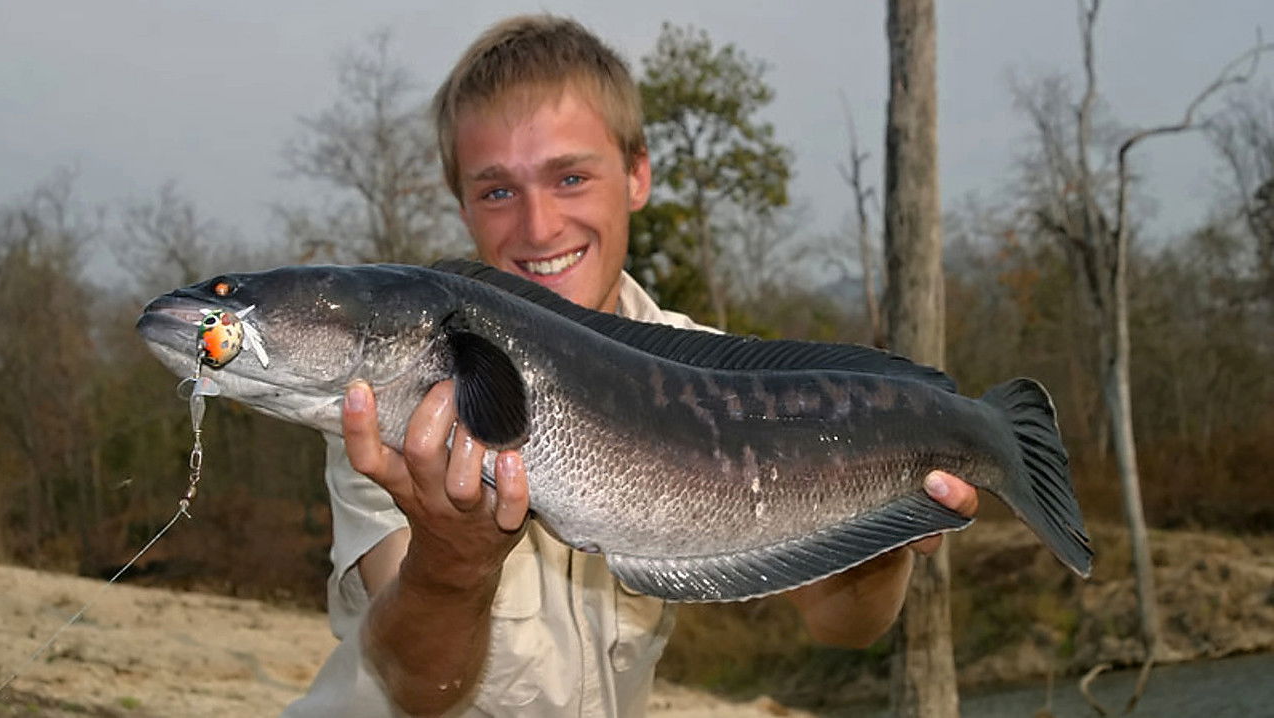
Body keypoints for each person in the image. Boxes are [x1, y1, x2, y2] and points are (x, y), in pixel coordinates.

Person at [283, 15, 978, 718]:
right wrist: (452, 562)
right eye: (497, 191)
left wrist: (878, 530)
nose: (539, 226)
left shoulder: (720, 386)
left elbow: (843, 625)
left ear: (637, 174)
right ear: (462, 204)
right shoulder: (397, 392)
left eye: (570, 177)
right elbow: (414, 688)